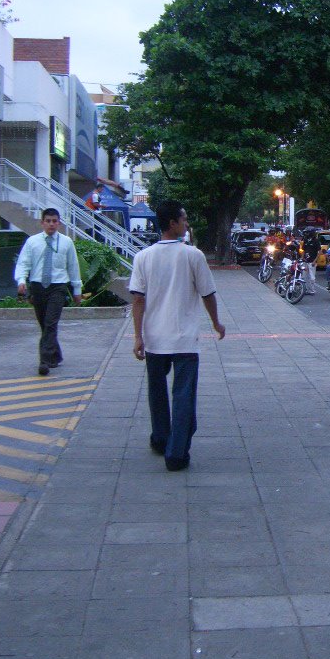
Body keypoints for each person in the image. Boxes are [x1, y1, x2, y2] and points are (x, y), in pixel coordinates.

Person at [129, 201, 226, 472]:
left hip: (154, 338)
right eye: (183, 219)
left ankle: (161, 439)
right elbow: (208, 294)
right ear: (172, 223)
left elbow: (138, 300)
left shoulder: (143, 257)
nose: (186, 224)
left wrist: (138, 337)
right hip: (184, 340)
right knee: (183, 397)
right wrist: (216, 323)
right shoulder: (193, 255)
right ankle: (177, 452)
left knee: (157, 393)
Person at [15, 208, 82, 376]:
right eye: (48, 221)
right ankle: (55, 355)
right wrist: (22, 281)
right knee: (44, 324)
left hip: (58, 287)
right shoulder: (32, 242)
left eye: (54, 221)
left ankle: (44, 361)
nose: (51, 224)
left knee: (51, 323)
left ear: (59, 223)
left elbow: (73, 267)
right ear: (42, 222)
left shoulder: (66, 242)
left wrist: (77, 290)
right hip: (38, 287)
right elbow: (24, 263)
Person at [301, 227, 321, 294]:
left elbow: (319, 252)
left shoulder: (316, 241)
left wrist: (314, 261)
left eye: (307, 232)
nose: (306, 234)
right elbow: (303, 250)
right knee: (304, 276)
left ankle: (312, 290)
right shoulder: (306, 240)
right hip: (305, 261)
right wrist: (302, 258)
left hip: (312, 262)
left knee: (312, 277)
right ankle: (305, 289)